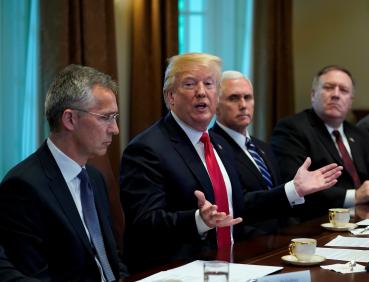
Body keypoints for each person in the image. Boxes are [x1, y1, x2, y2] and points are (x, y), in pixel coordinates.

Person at [120, 53, 341, 272]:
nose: (201, 92)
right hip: (177, 270)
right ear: (170, 97)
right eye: (189, 84)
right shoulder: (147, 148)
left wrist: (294, 190)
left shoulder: (217, 143)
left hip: (230, 264)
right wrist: (199, 220)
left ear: (216, 96)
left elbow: (240, 207)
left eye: (209, 84)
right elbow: (144, 224)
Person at [0, 65, 127, 281]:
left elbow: (111, 258)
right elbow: (34, 276)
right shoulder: (23, 186)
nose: (115, 129)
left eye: (114, 117)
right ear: (70, 119)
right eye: (106, 117)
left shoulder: (95, 179)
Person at [212, 71, 342, 234]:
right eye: (234, 98)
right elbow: (239, 203)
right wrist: (293, 189)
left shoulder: (262, 147)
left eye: (248, 97)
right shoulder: (212, 146)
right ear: (215, 105)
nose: (243, 105)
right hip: (247, 243)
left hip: (281, 239)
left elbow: (281, 206)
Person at [271, 65, 369, 218]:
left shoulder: (360, 134)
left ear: (350, 101)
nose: (336, 95)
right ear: (313, 94)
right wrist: (355, 196)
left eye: (343, 90)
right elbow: (297, 186)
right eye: (329, 87)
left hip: (366, 220)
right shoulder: (292, 129)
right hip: (318, 223)